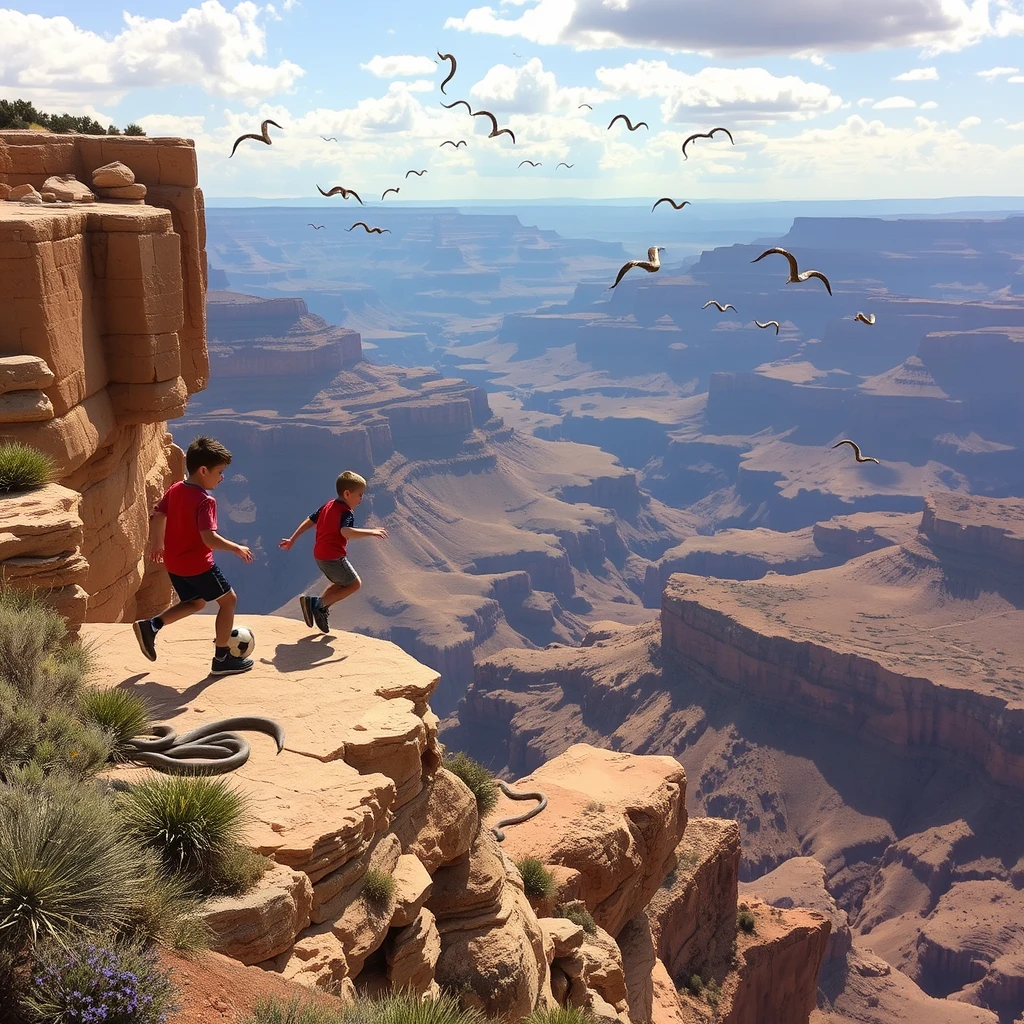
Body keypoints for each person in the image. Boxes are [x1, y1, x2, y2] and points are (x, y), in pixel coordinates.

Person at [132, 436, 255, 675]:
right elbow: (208, 538)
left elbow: (158, 515)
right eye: (220, 472)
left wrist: (157, 544)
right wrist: (236, 548)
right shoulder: (205, 501)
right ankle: (222, 659)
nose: (222, 477)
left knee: (196, 602)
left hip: (174, 562)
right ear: (203, 470)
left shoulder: (176, 488)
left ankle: (152, 626)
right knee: (229, 601)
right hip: (197, 564)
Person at [279, 470, 387, 633]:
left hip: (320, 555)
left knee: (340, 583)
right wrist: (371, 532)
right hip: (333, 557)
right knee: (354, 584)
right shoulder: (346, 512)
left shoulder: (328, 505)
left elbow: (309, 520)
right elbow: (346, 532)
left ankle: (320, 608)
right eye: (359, 495)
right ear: (347, 493)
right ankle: (317, 604)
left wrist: (293, 538)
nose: (361, 499)